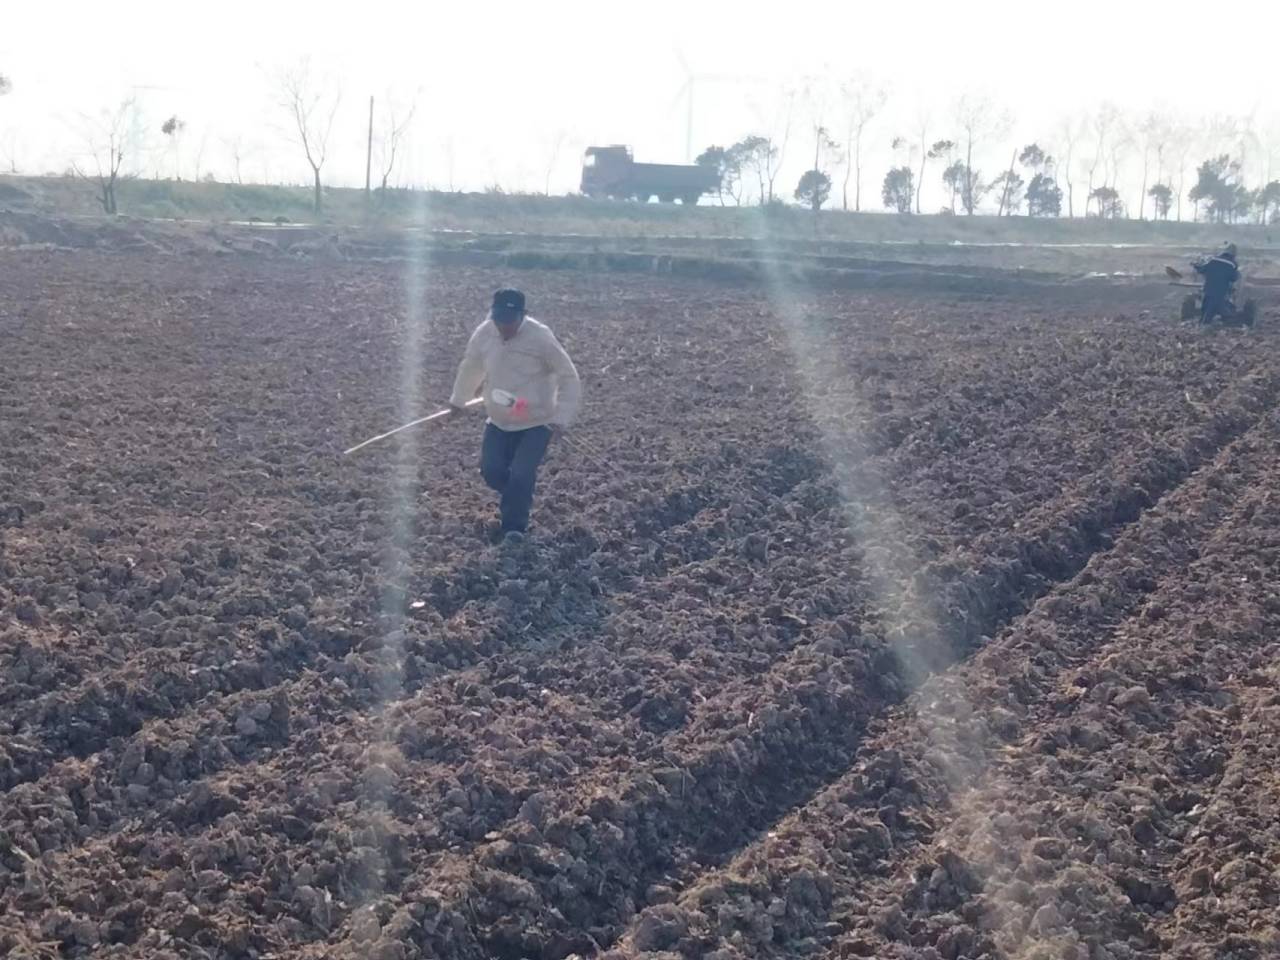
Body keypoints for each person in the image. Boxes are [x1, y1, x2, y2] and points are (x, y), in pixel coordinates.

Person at [448, 289, 581, 543]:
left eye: (509, 320)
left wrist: (561, 417)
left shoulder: (540, 337)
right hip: (498, 420)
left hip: (536, 422)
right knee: (491, 471)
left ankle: (514, 528)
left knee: (521, 473)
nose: (503, 326)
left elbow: (568, 376)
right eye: (499, 319)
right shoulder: (485, 333)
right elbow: (471, 367)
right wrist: (458, 400)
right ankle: (518, 495)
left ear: (522, 315)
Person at [1193, 242, 1241, 324]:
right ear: (1234, 254)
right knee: (1221, 312)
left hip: (1208, 290)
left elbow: (1202, 270)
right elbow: (1234, 278)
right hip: (1221, 293)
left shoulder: (1212, 260)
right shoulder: (1232, 265)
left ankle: (1202, 325)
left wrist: (1196, 266)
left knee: (1205, 311)